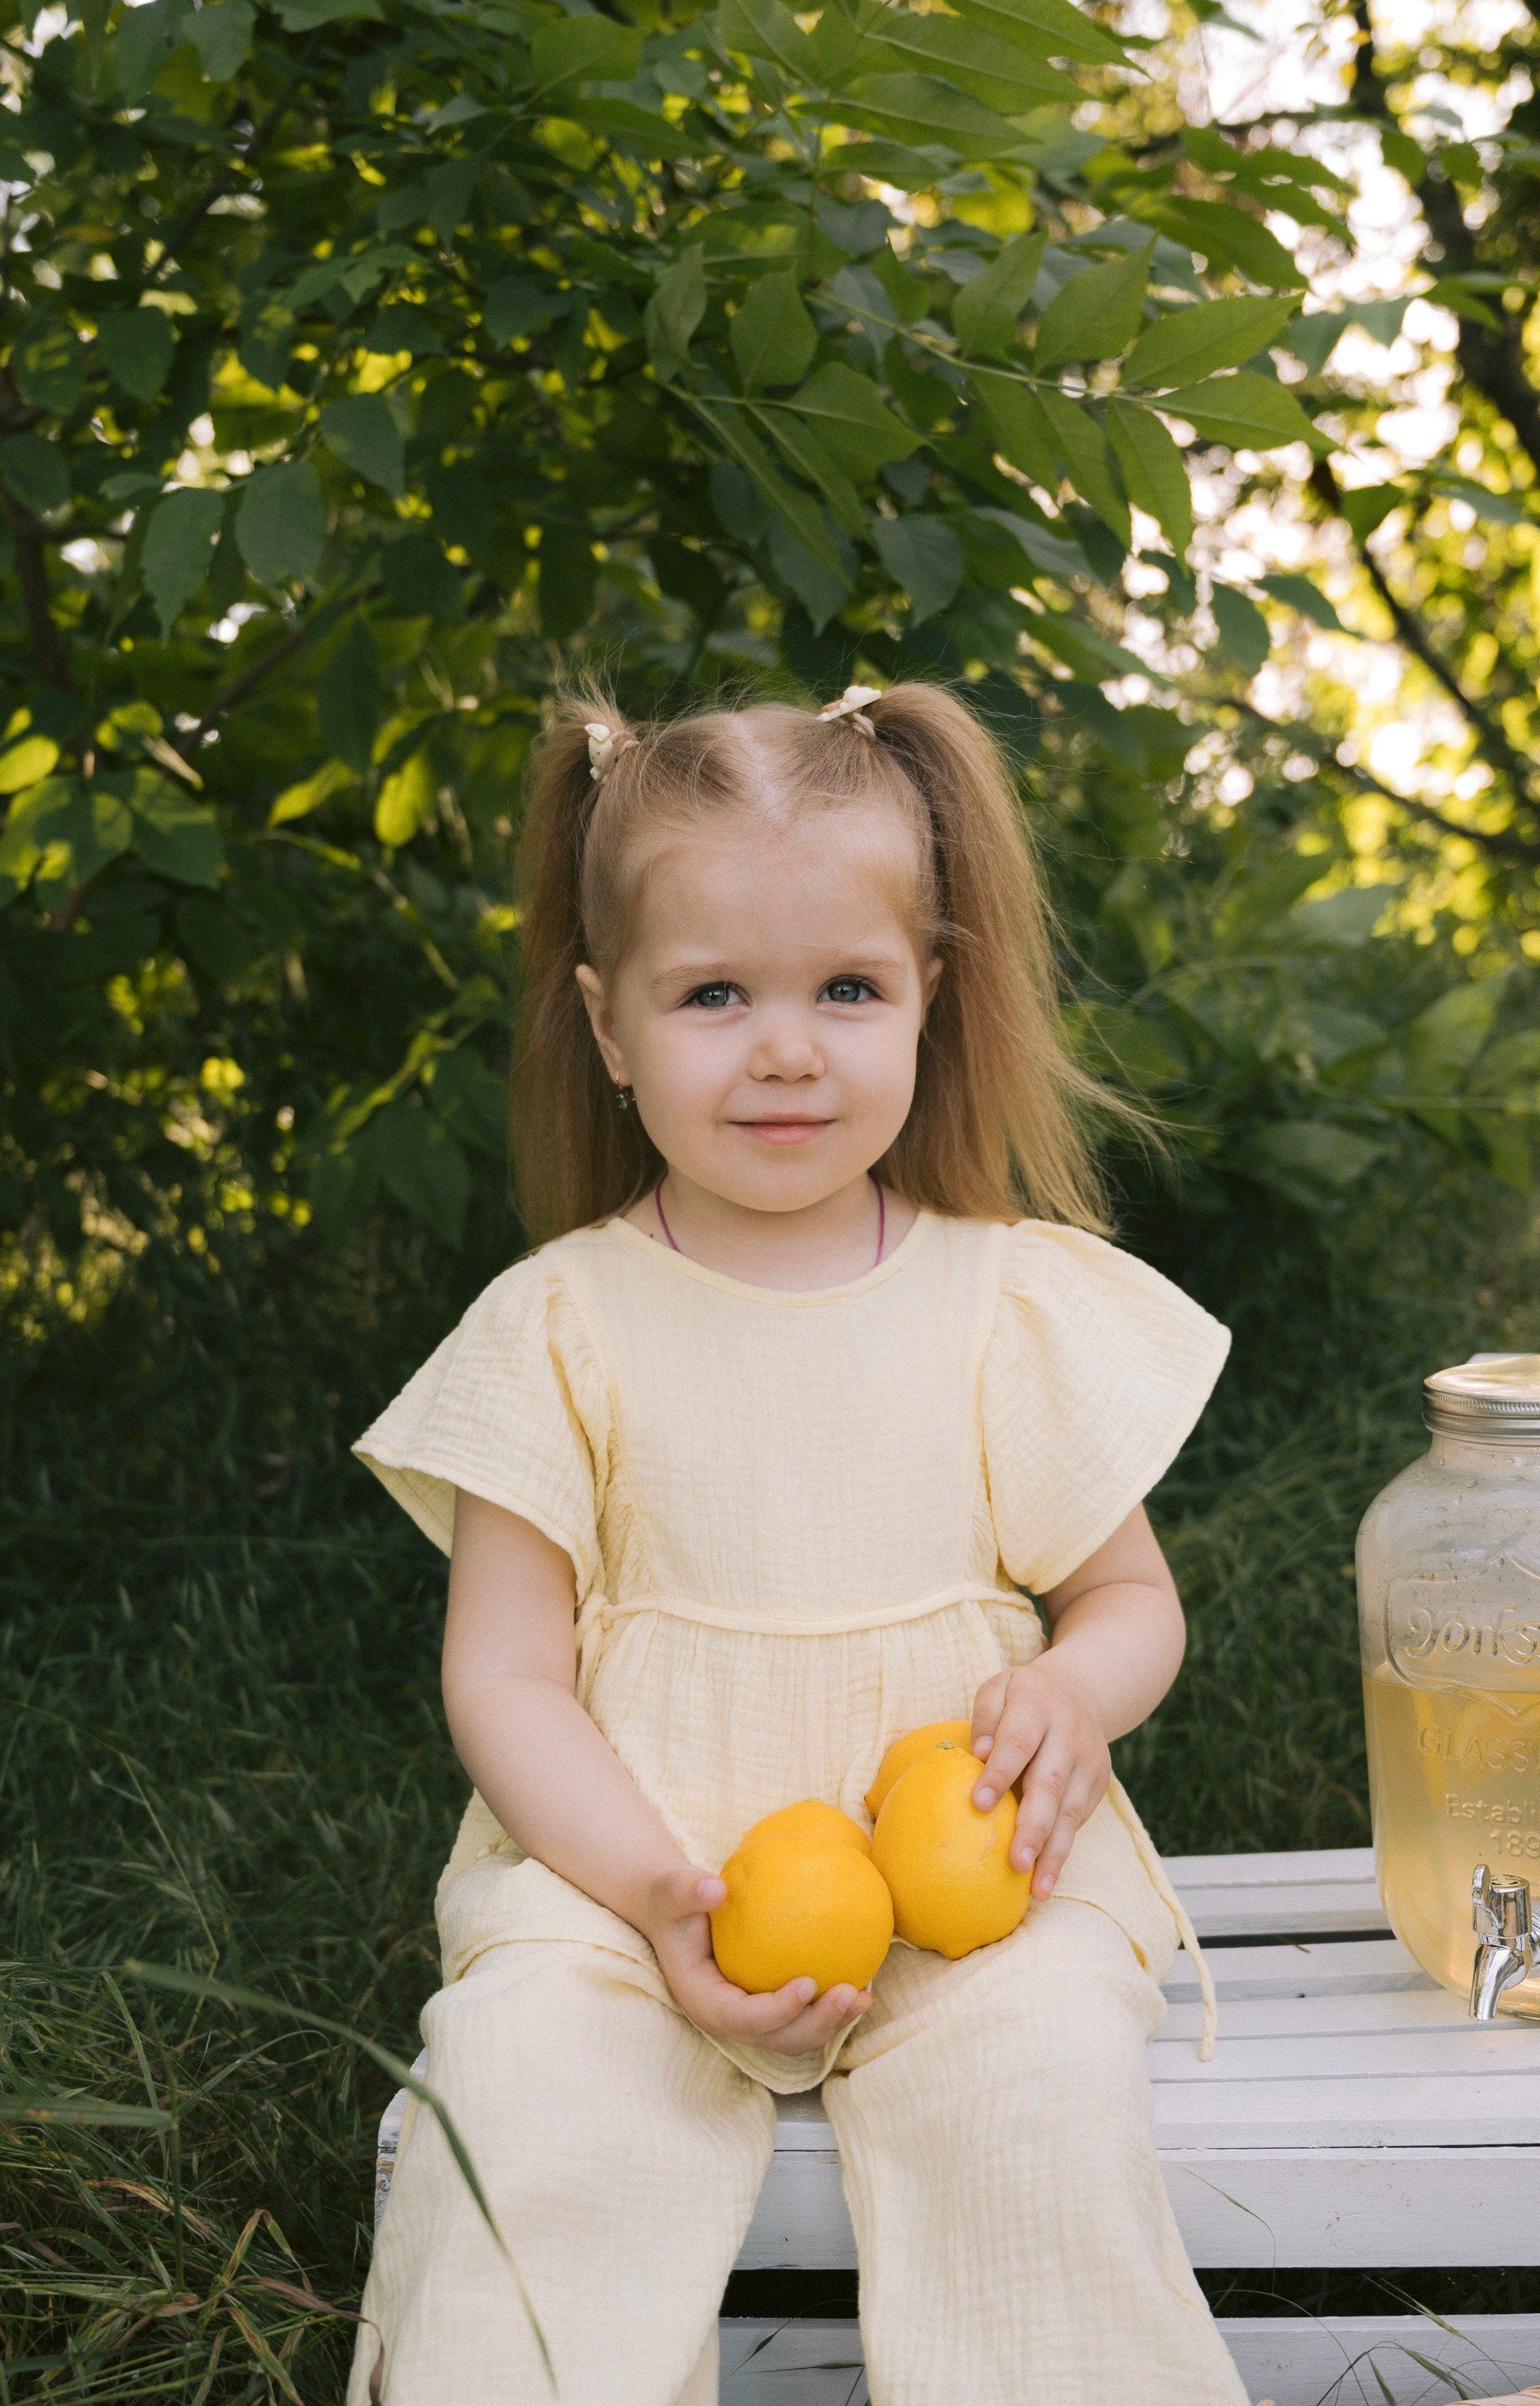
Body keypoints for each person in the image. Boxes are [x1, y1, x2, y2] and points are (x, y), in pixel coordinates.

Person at [345, 680, 1248, 2406]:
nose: (785, 1045)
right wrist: (651, 1893)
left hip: (971, 1880)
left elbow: (1129, 1595)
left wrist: (1072, 1691)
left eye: (847, 987)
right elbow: (509, 1673)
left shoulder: (1003, 1298)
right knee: (527, 2088)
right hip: (639, 1868)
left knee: (1038, 2083)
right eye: (713, 996)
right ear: (609, 1026)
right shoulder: (561, 1323)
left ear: (930, 996)